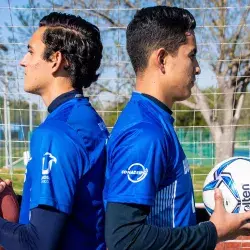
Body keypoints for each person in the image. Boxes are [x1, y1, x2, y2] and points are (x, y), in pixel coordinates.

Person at [104, 6, 250, 250]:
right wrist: (212, 233)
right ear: (162, 59)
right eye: (191, 55)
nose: (197, 67)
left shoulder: (155, 120)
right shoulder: (144, 133)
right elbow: (124, 240)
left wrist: (216, 225)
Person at [0, 12, 108, 250]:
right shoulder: (89, 119)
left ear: (56, 60)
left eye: (30, 51)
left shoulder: (56, 133)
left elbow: (37, 243)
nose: (23, 61)